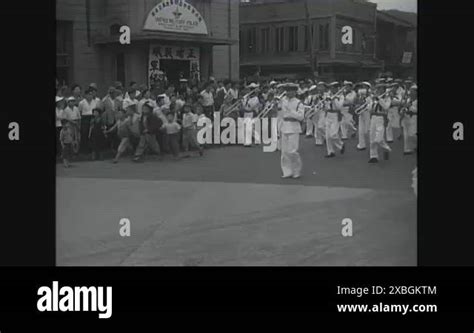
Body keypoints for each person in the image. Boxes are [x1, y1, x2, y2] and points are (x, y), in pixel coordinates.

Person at [279, 83, 305, 179]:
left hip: (294, 127)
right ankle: (287, 171)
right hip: (284, 126)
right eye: (287, 90)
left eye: (290, 90)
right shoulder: (282, 101)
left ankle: (296, 171)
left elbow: (301, 117)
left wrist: (291, 111)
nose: (288, 92)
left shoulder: (299, 103)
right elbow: (279, 112)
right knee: (284, 152)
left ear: (295, 92)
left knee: (293, 151)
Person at [368, 84, 392, 163]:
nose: (379, 90)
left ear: (384, 90)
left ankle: (386, 148)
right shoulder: (374, 98)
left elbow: (386, 107)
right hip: (373, 118)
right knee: (372, 137)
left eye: (381, 88)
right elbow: (369, 109)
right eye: (378, 88)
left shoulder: (387, 98)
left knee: (379, 138)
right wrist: (371, 102)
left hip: (381, 118)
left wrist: (379, 99)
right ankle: (373, 156)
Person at [325, 82, 345, 158]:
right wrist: (326, 101)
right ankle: (330, 152)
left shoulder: (341, 96)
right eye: (331, 87)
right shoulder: (327, 94)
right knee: (327, 136)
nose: (331, 89)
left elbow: (339, 107)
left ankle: (341, 144)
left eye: (333, 87)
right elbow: (326, 106)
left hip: (335, 115)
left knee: (333, 134)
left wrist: (334, 99)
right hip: (328, 115)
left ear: (337, 88)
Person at [78, 88, 99, 154]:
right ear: (85, 95)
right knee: (84, 133)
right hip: (85, 119)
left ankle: (92, 149)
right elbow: (80, 112)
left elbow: (96, 111)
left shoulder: (95, 102)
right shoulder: (81, 102)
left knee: (93, 134)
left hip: (92, 118)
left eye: (91, 94)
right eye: (88, 94)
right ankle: (84, 150)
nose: (90, 96)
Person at [400, 84, 417, 155]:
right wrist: (402, 111)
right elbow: (403, 107)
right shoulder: (408, 99)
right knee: (406, 135)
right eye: (411, 91)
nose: (411, 93)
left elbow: (416, 110)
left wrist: (409, 106)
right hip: (406, 117)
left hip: (413, 118)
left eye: (412, 91)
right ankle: (407, 149)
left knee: (412, 134)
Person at [355, 82, 372, 151]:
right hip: (361, 113)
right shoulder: (360, 95)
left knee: (367, 130)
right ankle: (361, 145)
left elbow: (370, 104)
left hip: (367, 112)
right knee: (361, 129)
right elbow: (357, 102)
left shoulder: (371, 96)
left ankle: (371, 143)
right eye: (362, 86)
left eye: (365, 86)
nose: (363, 87)